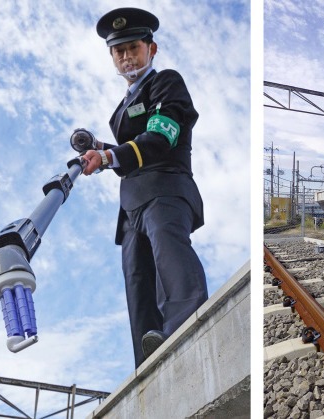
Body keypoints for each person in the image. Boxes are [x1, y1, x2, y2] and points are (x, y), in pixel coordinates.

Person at [82, 7, 208, 368]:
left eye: (133, 47)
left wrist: (108, 158)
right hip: (131, 209)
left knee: (171, 260)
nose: (126, 57)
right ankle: (147, 363)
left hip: (165, 191)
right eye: (118, 51)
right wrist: (100, 151)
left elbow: (158, 137)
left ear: (151, 49)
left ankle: (186, 328)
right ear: (112, 58)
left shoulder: (166, 83)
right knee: (138, 285)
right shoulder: (119, 110)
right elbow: (129, 150)